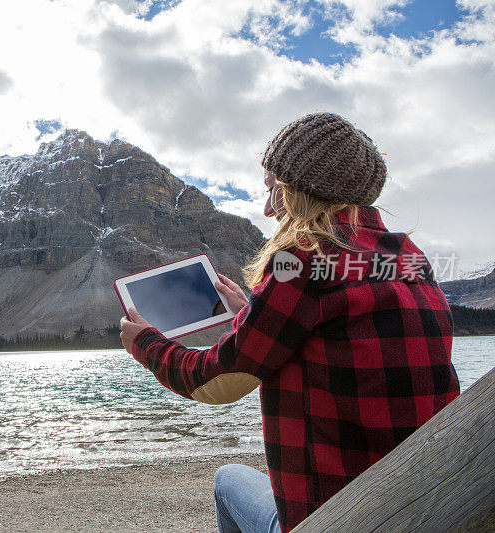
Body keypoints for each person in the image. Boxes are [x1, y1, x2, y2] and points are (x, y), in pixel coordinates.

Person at [119, 112, 460, 533]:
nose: (267, 208)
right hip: (423, 504)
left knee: (229, 480)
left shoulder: (301, 258)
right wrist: (253, 311)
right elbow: (332, 326)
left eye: (273, 189)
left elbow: (216, 381)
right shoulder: (407, 257)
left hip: (336, 517)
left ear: (303, 189)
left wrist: (146, 343)